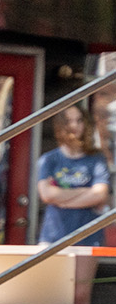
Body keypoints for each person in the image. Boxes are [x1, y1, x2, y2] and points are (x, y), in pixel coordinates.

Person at [36, 105, 110, 248]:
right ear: (60, 126)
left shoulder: (96, 159)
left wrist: (63, 201)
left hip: (88, 236)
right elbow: (47, 195)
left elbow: (99, 195)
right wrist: (84, 191)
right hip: (53, 236)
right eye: (68, 121)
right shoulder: (49, 159)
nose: (74, 126)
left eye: (79, 120)